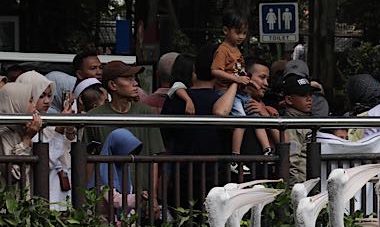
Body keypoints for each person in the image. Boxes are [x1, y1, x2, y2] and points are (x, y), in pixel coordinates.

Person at [85, 61, 165, 209]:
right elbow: (89, 160)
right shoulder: (94, 117)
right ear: (112, 85)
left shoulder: (146, 113)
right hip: (107, 199)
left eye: (134, 78)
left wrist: (153, 197)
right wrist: (89, 200)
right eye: (128, 79)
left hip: (142, 195)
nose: (135, 83)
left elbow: (153, 157)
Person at [161, 47, 231, 209]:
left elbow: (164, 134)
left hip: (181, 176)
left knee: (182, 220)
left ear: (194, 70)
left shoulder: (177, 100)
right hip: (217, 178)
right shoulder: (225, 103)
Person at [211, 10, 272, 172]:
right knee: (241, 120)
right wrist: (236, 80)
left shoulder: (237, 51)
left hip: (239, 91)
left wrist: (250, 82)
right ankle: (235, 158)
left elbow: (241, 73)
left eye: (244, 33)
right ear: (226, 30)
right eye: (238, 32)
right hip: (226, 92)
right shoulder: (222, 50)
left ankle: (267, 150)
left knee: (256, 117)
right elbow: (215, 71)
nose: (241, 37)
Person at [17, 71, 78, 209]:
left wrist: (69, 129)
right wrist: (60, 127)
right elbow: (47, 160)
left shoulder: (48, 120)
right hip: (42, 194)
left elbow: (66, 153)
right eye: (41, 96)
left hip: (59, 191)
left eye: (50, 96)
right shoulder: (27, 125)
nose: (47, 101)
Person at [0, 82, 41, 188]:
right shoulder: (4, 132)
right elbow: (14, 175)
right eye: (30, 101)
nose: (34, 106)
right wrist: (26, 140)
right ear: (17, 102)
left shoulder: (19, 129)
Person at [280, 75, 316, 185]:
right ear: (289, 100)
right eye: (303, 95)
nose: (309, 99)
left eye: (310, 94)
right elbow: (291, 161)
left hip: (306, 185)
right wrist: (294, 188)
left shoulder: (304, 121)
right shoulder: (291, 125)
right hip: (299, 186)